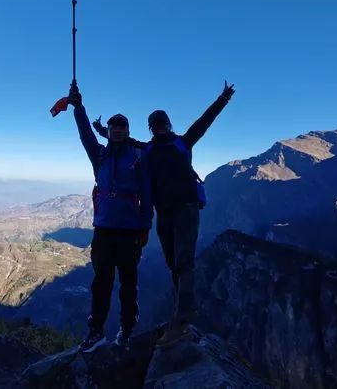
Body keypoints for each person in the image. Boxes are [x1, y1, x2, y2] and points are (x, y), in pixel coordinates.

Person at [94, 81, 235, 345]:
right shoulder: (161, 146)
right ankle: (179, 316)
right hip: (168, 212)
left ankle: (182, 321)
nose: (158, 127)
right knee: (174, 263)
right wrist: (102, 129)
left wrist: (223, 99)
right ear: (158, 126)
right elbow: (124, 139)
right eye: (156, 124)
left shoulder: (175, 144)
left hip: (183, 210)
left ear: (164, 125)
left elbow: (205, 121)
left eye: (159, 123)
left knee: (182, 262)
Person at [67, 84, 153, 352]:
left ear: (127, 131)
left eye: (122, 128)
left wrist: (145, 227)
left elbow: (147, 194)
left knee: (129, 284)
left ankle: (126, 331)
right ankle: (96, 332)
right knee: (101, 283)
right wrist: (78, 107)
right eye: (114, 128)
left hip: (129, 231)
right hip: (103, 229)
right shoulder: (100, 155)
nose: (117, 131)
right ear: (111, 132)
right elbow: (85, 135)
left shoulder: (138, 156)